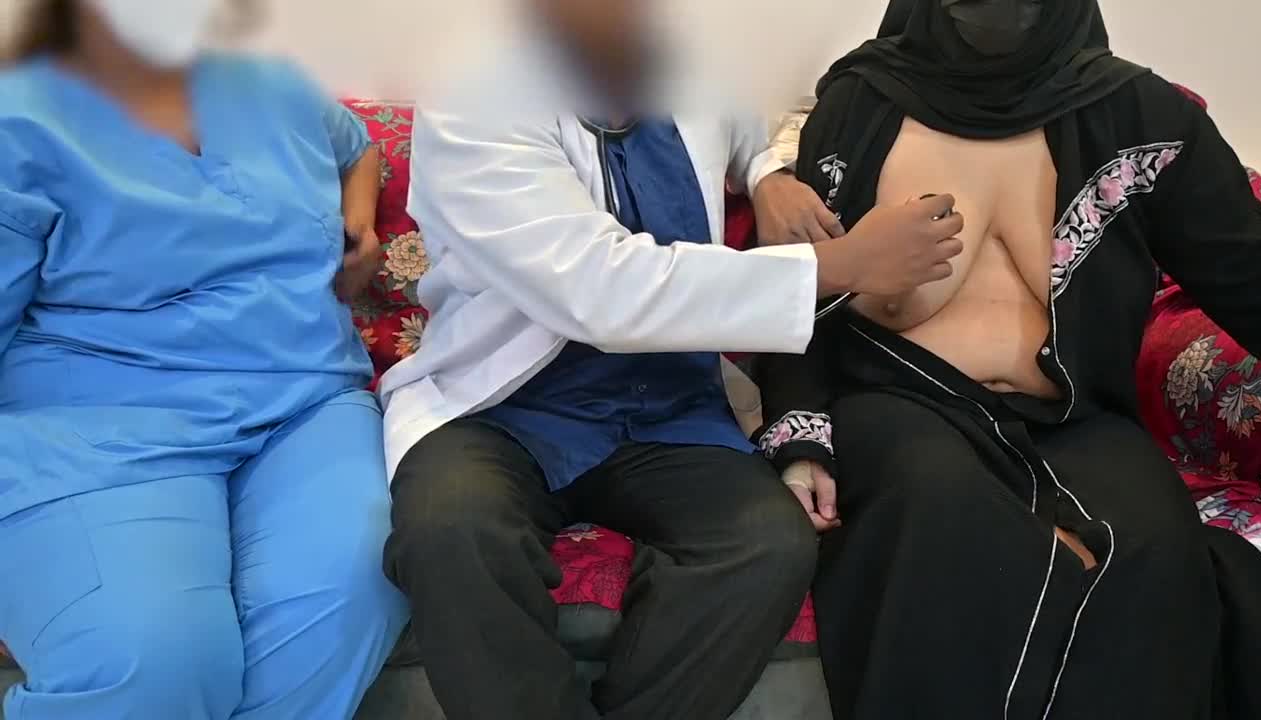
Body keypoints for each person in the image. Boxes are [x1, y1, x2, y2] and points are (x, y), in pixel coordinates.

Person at [376, 1, 969, 718]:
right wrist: (839, 265)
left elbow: (738, 125)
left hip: (668, 405)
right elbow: (600, 289)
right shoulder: (474, 93)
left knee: (765, 545)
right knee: (450, 532)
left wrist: (767, 174)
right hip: (507, 406)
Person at [753, 1, 1261, 718]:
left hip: (1074, 419)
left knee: (1155, 550)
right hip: (899, 401)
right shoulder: (862, 103)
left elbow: (1252, 269)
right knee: (948, 521)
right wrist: (800, 434)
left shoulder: (1139, 113)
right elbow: (797, 285)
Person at [0, 1, 408, 718]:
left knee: (357, 588)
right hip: (97, 423)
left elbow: (356, 148)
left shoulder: (274, 77)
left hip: (306, 404)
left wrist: (360, 224)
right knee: (155, 656)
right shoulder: (21, 120)